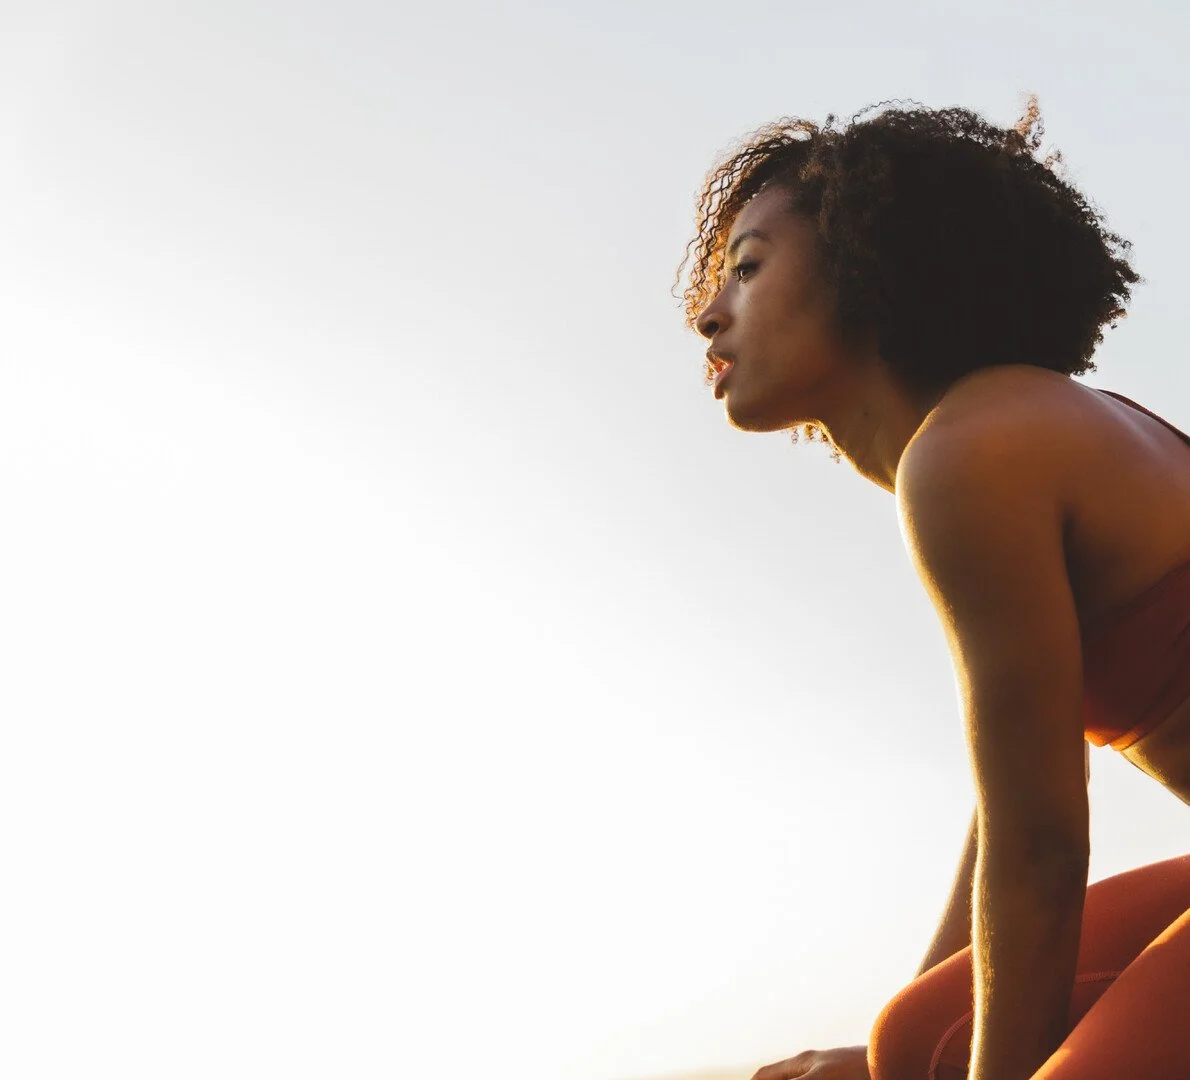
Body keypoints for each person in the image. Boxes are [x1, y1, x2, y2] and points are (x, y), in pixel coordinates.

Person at [676, 95, 1190, 1080]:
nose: (708, 310)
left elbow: (1043, 847)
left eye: (745, 267)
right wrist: (889, 1060)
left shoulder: (972, 453)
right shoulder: (1017, 428)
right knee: (915, 1041)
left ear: (872, 264)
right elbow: (1014, 811)